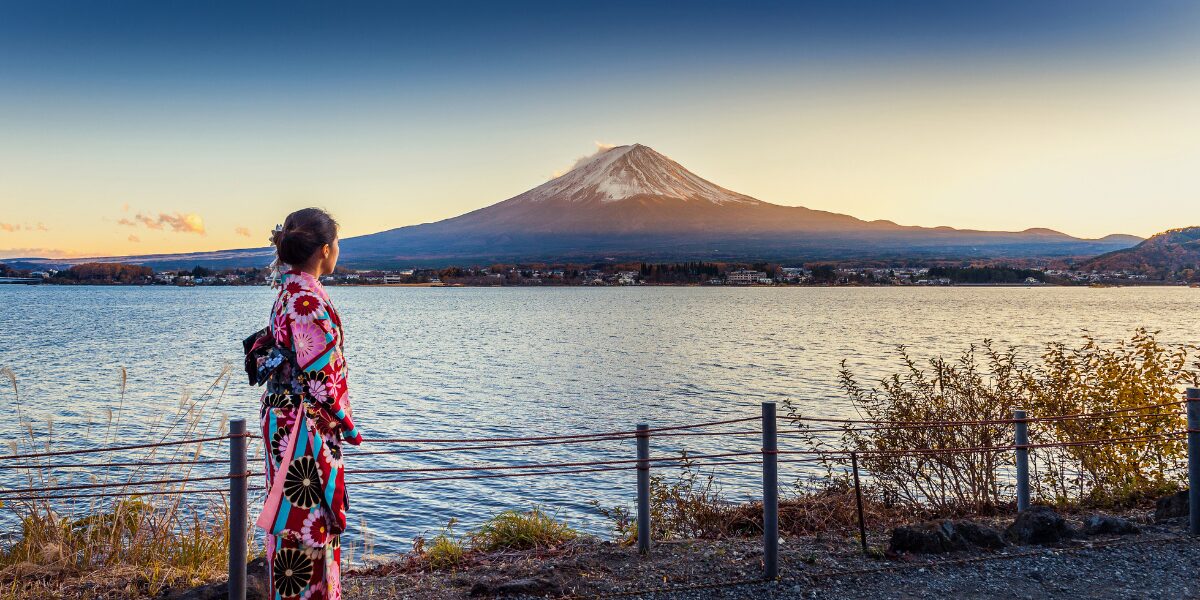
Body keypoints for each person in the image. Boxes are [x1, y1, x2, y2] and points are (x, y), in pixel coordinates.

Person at [254, 208, 361, 600]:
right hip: (304, 428)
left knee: (291, 520)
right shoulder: (306, 299)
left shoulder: (289, 289)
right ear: (325, 249)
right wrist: (347, 425)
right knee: (307, 523)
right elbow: (322, 380)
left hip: (285, 421)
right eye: (337, 245)